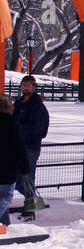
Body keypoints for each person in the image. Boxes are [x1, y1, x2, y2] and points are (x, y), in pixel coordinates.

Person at [13, 74, 49, 217]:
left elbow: (38, 128)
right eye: (24, 85)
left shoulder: (37, 107)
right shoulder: (18, 104)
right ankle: (31, 200)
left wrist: (18, 128)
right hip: (16, 146)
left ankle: (30, 207)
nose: (25, 88)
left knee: (26, 177)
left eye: (28, 85)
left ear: (34, 88)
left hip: (30, 147)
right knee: (15, 177)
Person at [0, 96, 30, 227]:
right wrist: (25, 169)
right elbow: (19, 148)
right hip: (7, 168)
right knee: (5, 197)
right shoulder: (12, 124)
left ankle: (5, 226)